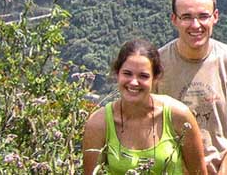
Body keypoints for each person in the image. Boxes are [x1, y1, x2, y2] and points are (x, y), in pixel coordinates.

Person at [155, 0, 227, 175]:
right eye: (186, 17)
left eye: (203, 16)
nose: (195, 25)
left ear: (215, 17)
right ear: (174, 19)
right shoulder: (158, 64)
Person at [82, 39, 206, 175]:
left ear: (155, 78)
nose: (134, 82)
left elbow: (198, 172)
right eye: (127, 74)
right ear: (117, 74)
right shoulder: (99, 123)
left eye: (143, 76)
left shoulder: (178, 116)